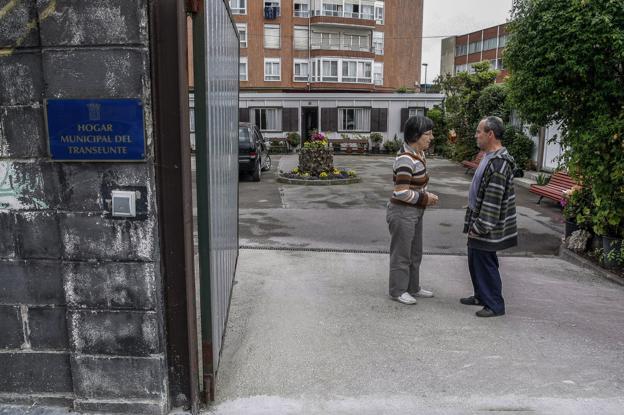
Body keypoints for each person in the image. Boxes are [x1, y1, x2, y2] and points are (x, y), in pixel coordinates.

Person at [461, 116, 518, 317]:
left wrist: (480, 226)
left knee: (485, 262)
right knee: (475, 259)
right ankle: (481, 295)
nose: (476, 135)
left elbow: (493, 201)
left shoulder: (499, 164)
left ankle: (494, 304)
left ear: (490, 134)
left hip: (486, 224)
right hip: (478, 220)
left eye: (479, 131)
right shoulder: (488, 156)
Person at [387, 115, 439, 305]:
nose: (431, 137)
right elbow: (400, 192)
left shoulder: (419, 155)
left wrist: (424, 197)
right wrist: (426, 198)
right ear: (416, 135)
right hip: (402, 212)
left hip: (415, 210)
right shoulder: (405, 159)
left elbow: (415, 186)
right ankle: (398, 291)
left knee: (415, 252)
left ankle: (413, 287)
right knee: (402, 253)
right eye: (428, 133)